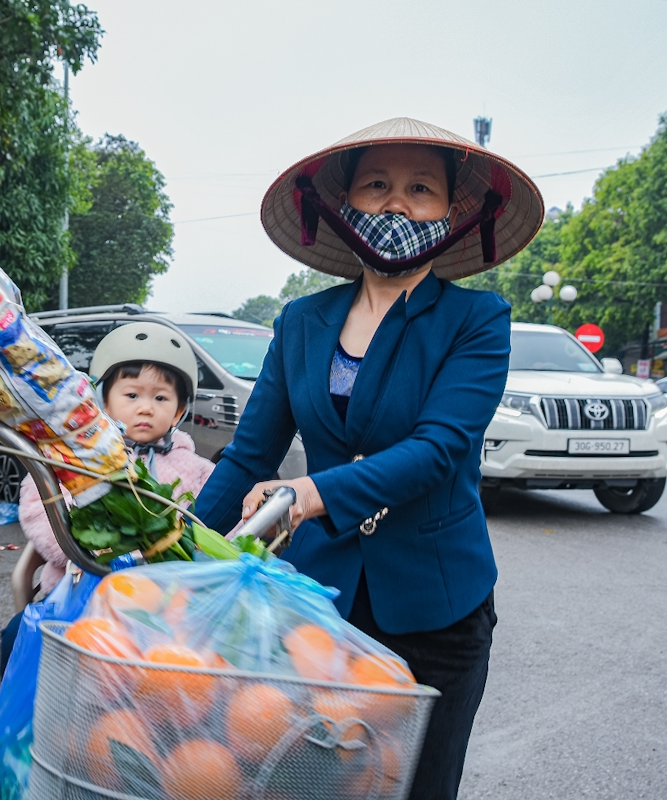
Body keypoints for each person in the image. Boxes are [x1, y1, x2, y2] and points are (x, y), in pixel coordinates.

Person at [193, 118, 544, 800]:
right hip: (316, 607)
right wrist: (170, 546)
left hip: (436, 608)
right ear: (342, 205)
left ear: (453, 211)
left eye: (421, 188)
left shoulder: (477, 321)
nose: (396, 203)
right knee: (305, 779)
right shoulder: (300, 321)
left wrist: (306, 495)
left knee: (418, 786)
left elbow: (439, 451)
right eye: (376, 185)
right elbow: (246, 457)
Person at [0, 322, 215, 673]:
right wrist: (91, 551)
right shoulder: (69, 459)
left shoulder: (198, 469)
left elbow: (216, 523)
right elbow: (39, 512)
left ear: (179, 411)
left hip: (169, 605)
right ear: (102, 401)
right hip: (78, 594)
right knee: (17, 638)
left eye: (160, 398)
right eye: (132, 396)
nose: (146, 408)